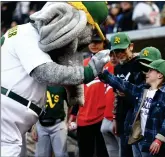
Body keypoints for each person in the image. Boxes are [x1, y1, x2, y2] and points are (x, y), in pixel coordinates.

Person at [1, 2, 109, 156]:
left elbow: (61, 62)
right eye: (89, 27)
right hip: (8, 112)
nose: (88, 36)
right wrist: (88, 72)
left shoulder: (31, 34)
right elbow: (44, 72)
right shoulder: (28, 34)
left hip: (13, 116)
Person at [98, 59, 165, 157]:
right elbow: (123, 84)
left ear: (160, 75)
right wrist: (104, 74)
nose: (147, 73)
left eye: (150, 71)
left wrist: (159, 140)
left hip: (157, 145)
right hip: (140, 141)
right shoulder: (142, 90)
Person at [68, 27, 110, 157]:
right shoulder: (84, 63)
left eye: (97, 42)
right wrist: (74, 114)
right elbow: (79, 91)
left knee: (102, 154)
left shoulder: (111, 63)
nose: (93, 45)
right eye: (91, 42)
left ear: (104, 42)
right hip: (83, 118)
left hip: (102, 118)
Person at [109, 32, 144, 157]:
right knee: (125, 152)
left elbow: (146, 90)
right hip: (123, 116)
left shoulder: (140, 63)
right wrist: (115, 119)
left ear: (131, 46)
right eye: (116, 51)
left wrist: (128, 93)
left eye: (122, 49)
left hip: (138, 116)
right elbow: (116, 97)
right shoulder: (117, 67)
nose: (119, 54)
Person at [31, 86, 69, 157]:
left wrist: (68, 121)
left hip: (58, 124)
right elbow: (33, 106)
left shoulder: (62, 84)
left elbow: (71, 103)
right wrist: (34, 127)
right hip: (41, 125)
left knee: (61, 155)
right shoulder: (38, 84)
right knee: (41, 155)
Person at [100, 50, 120, 157]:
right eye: (111, 55)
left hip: (118, 118)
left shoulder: (124, 70)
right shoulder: (107, 70)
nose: (113, 58)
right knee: (112, 152)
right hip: (106, 118)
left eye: (116, 55)